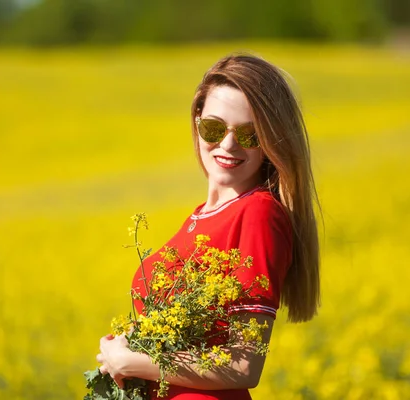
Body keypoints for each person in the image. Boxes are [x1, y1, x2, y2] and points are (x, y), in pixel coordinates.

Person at [95, 53, 321, 400]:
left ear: (272, 142)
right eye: (214, 128)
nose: (228, 145)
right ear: (197, 121)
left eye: (250, 135)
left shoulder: (258, 214)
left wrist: (132, 362)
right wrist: (120, 352)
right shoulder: (201, 216)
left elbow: (244, 365)